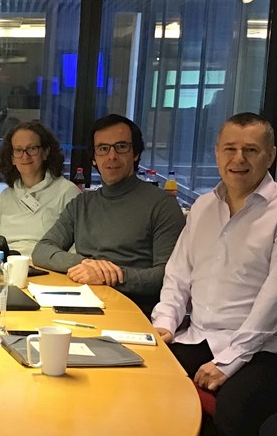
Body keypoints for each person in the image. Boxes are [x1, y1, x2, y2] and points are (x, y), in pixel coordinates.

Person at [151, 112, 277, 436]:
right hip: (204, 334)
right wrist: (165, 326)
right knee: (144, 383)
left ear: (270, 156)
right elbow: (177, 276)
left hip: (270, 349)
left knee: (232, 413)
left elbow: (276, 297)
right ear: (217, 152)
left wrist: (229, 362)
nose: (238, 159)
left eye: (251, 150)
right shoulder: (204, 206)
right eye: (229, 148)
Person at [32, 114, 185, 313]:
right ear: (94, 158)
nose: (111, 156)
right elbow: (42, 250)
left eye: (121, 147)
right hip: (80, 301)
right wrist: (87, 265)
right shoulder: (82, 203)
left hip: (132, 310)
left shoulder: (162, 205)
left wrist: (110, 275)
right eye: (103, 149)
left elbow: (167, 276)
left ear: (135, 153)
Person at [0, 121, 80, 256]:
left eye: (32, 148)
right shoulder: (5, 196)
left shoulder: (67, 192)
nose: (25, 156)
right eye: (19, 150)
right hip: (7, 267)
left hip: (47, 268)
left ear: (45, 152)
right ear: (12, 158)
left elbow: (77, 245)